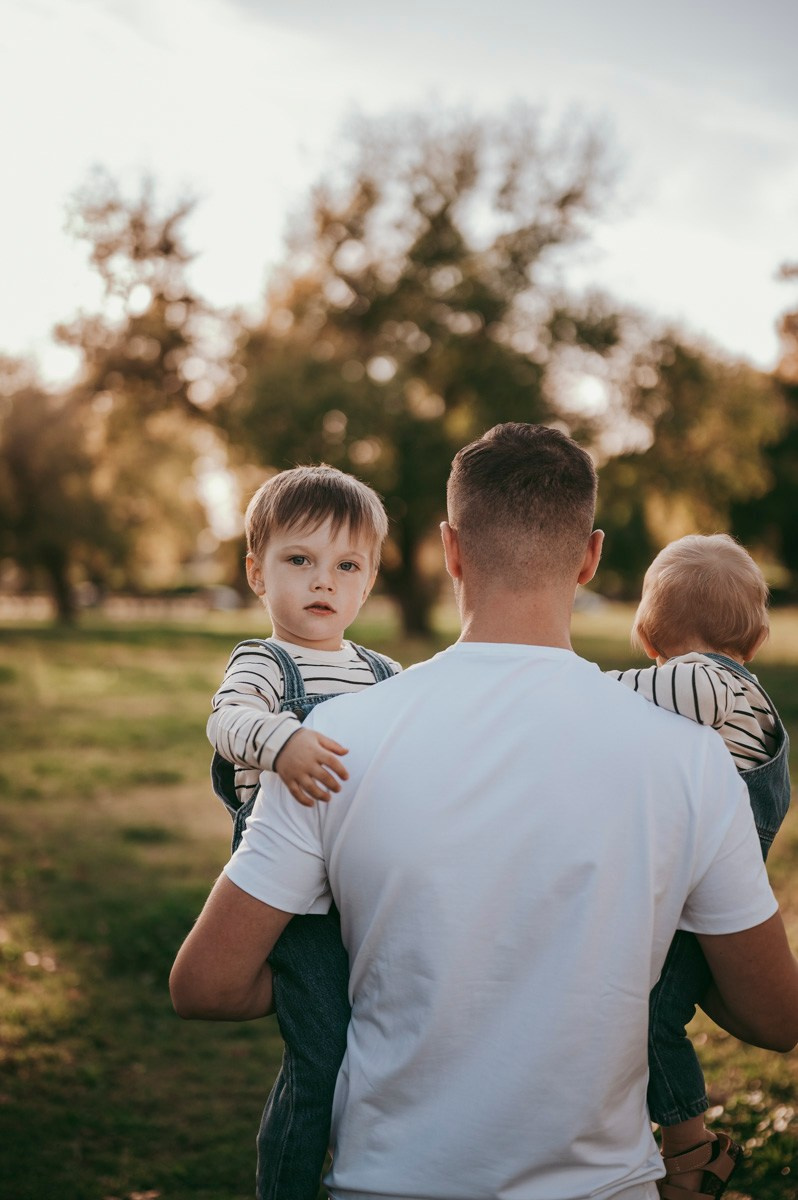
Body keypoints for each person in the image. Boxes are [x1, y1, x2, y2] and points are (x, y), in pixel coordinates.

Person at [171, 424, 798, 1200]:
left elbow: (206, 984)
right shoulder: (692, 759)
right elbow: (774, 1019)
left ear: (450, 550)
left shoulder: (329, 743)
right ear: (590, 557)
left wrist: (344, 982)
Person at [206, 464, 400, 1200]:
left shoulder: (385, 673)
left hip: (369, 887)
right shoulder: (265, 663)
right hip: (295, 899)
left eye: (347, 565)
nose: (324, 581)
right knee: (320, 1056)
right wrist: (282, 740)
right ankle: (286, 1184)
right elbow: (226, 721)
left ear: (369, 580)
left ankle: (373, 1171)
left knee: (379, 1048)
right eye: (299, 559)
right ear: (257, 573)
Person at [607, 534, 791, 1197]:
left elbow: (650, 696)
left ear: (648, 635)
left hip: (703, 891)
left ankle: (691, 1150)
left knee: (651, 1015)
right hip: (706, 884)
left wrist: (574, 684)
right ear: (758, 635)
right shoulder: (743, 688)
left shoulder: (707, 679)